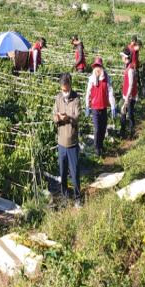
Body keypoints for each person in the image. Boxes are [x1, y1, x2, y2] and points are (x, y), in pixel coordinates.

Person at [52, 73, 81, 203]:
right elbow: (53, 114)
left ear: (70, 85)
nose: (64, 92)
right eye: (62, 90)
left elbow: (77, 117)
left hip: (72, 143)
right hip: (61, 143)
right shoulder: (58, 98)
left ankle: (78, 198)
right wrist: (57, 117)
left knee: (74, 173)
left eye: (66, 89)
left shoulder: (76, 99)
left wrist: (68, 118)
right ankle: (65, 196)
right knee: (62, 172)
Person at [85, 57, 116, 156]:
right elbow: (88, 93)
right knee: (97, 128)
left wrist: (113, 106)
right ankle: (97, 148)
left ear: (101, 67)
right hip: (95, 108)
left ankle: (101, 145)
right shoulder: (91, 79)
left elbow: (110, 92)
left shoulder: (106, 78)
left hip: (103, 107)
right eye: (96, 66)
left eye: (99, 66)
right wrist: (87, 106)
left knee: (103, 128)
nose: (97, 68)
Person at [120, 48, 138, 139]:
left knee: (130, 115)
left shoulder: (130, 69)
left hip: (130, 97)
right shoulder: (127, 66)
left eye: (122, 56)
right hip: (126, 96)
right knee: (123, 113)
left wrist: (127, 98)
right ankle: (123, 133)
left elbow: (131, 85)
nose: (121, 58)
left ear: (125, 57)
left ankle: (131, 133)